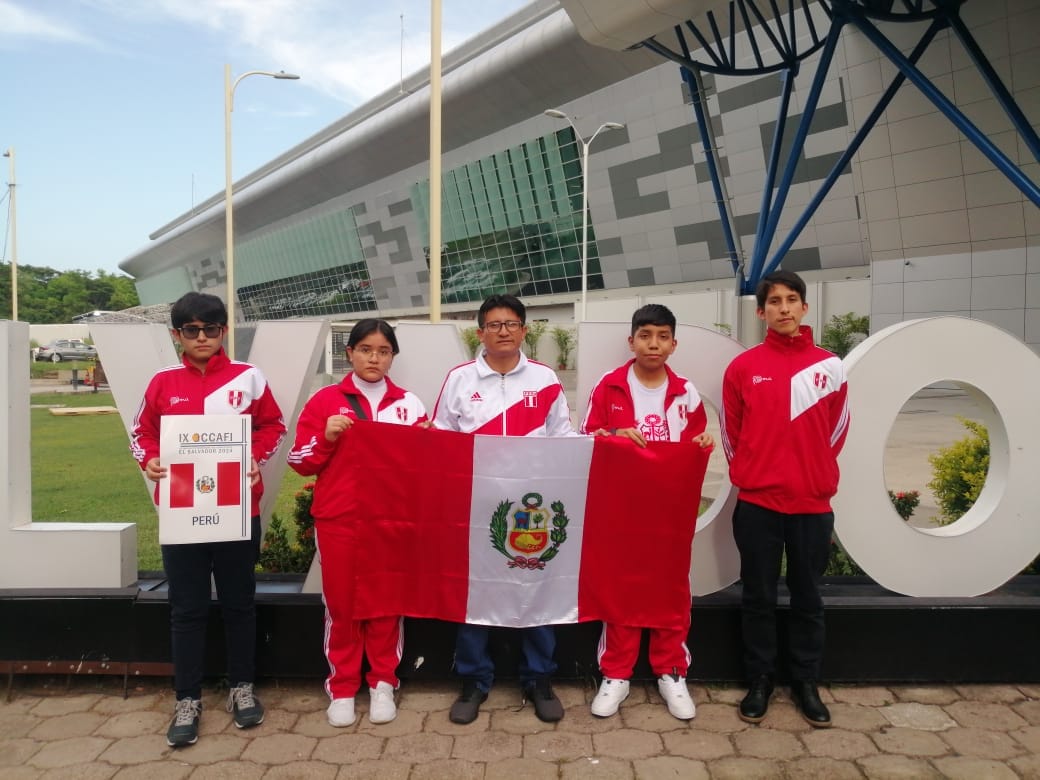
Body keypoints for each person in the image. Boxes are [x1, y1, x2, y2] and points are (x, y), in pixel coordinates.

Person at [130, 292, 286, 747]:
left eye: (211, 329)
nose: (202, 337)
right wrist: (152, 460)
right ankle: (188, 697)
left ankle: (242, 687)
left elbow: (272, 426)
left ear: (223, 332)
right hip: (183, 513)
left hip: (238, 511)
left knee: (240, 603)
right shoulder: (162, 382)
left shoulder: (248, 377)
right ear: (176, 334)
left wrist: (254, 456)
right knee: (188, 608)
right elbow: (141, 433)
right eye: (192, 330)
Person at [431, 294, 574, 725]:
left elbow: (563, 437)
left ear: (524, 330)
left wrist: (599, 444)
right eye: (494, 324)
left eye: (512, 323)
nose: (504, 331)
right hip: (476, 507)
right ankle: (474, 678)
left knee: (538, 583)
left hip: (533, 511)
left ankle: (538, 678)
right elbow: (442, 439)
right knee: (476, 589)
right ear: (481, 332)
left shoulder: (546, 378)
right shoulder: (459, 379)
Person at [721, 270, 849, 728]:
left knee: (808, 599)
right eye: (774, 302)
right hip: (758, 505)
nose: (783, 308)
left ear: (804, 307)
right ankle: (760, 680)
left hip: (812, 507)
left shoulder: (830, 366)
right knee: (757, 597)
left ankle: (806, 683)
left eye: (792, 300)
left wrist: (813, 474)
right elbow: (731, 433)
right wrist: (752, 476)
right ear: (761, 312)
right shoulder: (743, 367)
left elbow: (837, 430)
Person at [286, 319, 428, 728]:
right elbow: (300, 462)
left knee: (386, 602)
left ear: (392, 357)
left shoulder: (409, 404)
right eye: (366, 349)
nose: (374, 358)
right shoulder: (326, 401)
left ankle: (383, 682)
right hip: (340, 519)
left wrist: (427, 442)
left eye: (383, 351)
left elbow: (421, 469)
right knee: (343, 605)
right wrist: (328, 437)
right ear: (349, 353)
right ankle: (343, 686)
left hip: (391, 520)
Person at [579, 303, 714, 720]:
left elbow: (695, 445)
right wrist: (617, 435)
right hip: (621, 510)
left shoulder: (686, 393)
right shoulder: (609, 385)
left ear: (673, 343)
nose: (652, 344)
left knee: (671, 589)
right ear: (631, 340)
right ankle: (616, 673)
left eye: (661, 337)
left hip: (669, 514)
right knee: (622, 589)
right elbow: (586, 438)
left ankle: (671, 671)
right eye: (645, 335)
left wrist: (703, 443)